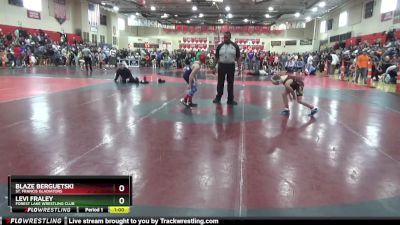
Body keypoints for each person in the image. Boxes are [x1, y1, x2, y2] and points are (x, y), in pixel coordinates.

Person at [213, 31, 241, 105]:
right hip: (221, 66)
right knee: (220, 83)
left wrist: (239, 68)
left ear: (230, 37)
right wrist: (213, 67)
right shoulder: (219, 46)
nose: (225, 38)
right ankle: (218, 98)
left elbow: (238, 58)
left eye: (226, 37)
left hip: (231, 66)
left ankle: (230, 100)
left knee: (230, 83)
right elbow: (216, 57)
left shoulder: (235, 46)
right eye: (224, 37)